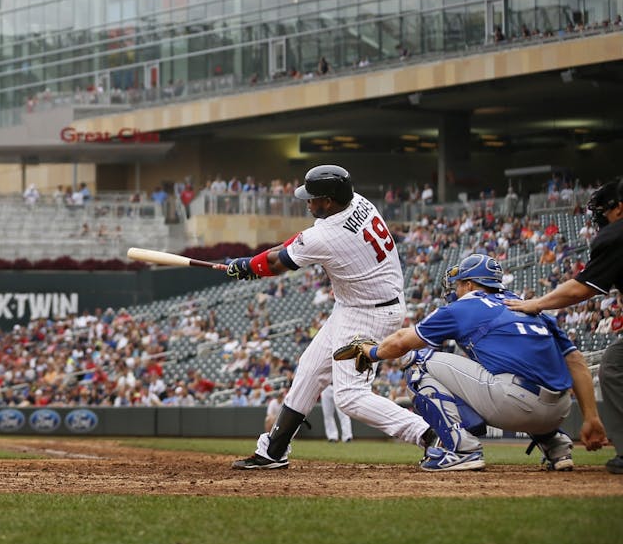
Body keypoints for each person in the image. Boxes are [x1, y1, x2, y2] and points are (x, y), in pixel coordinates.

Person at [222, 164, 435, 469]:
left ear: (330, 200)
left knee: (349, 396)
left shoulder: (327, 233)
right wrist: (250, 262)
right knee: (310, 368)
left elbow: (278, 262)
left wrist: (249, 267)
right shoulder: (359, 202)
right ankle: (274, 450)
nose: (307, 202)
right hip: (359, 305)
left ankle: (429, 435)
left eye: (313, 198)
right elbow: (294, 244)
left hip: (368, 314)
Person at [339, 254, 604, 472]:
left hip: (515, 404)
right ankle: (556, 444)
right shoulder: (528, 306)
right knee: (518, 367)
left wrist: (372, 352)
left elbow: (400, 342)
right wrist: (591, 416)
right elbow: (576, 361)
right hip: (559, 409)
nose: (455, 290)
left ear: (469, 284)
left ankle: (462, 449)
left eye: (458, 285)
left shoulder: (466, 306)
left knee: (418, 362)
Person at [506, 177, 623, 474]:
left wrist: (537, 303)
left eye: (604, 211)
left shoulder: (617, 233)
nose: (601, 218)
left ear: (619, 209)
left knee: (613, 364)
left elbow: (581, 288)